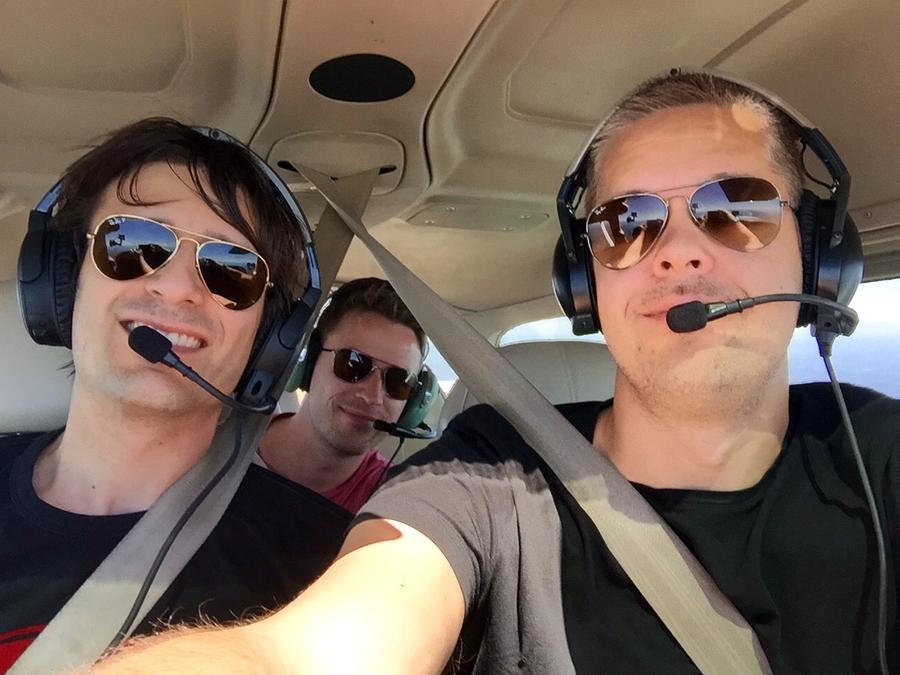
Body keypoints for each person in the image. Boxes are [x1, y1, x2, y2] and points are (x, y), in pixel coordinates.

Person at [91, 72, 899, 673]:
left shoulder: (883, 451)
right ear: (586, 279)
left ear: (820, 256)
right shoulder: (486, 478)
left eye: (738, 208)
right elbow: (313, 651)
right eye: (628, 222)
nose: (680, 250)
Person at [0, 119, 351, 671]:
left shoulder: (327, 574)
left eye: (231, 268)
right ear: (63, 280)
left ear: (269, 337)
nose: (178, 287)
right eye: (133, 242)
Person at [258, 277, 427, 512]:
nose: (373, 396)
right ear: (308, 361)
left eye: (398, 381)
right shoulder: (220, 438)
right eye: (353, 363)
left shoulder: (393, 507)